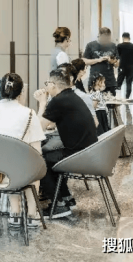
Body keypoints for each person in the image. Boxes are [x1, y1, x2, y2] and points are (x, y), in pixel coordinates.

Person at [34, 67, 98, 219]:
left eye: (47, 83)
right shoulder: (71, 96)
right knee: (49, 155)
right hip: (90, 151)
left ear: (53, 85)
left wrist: (42, 103)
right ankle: (66, 198)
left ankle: (59, 205)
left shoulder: (58, 101)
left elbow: (38, 129)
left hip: (79, 154)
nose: (46, 87)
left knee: (40, 160)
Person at [0, 73, 45, 229]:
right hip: (17, 173)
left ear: (1, 91)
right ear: (21, 92)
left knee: (7, 161)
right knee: (33, 167)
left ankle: (15, 212)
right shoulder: (29, 113)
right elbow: (37, 152)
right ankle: (32, 214)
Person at [83, 27, 118, 95]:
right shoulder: (91, 45)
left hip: (110, 82)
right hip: (95, 82)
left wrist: (112, 62)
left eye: (107, 39)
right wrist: (98, 60)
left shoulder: (113, 46)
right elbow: (84, 61)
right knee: (95, 101)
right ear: (99, 35)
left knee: (111, 100)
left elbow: (118, 63)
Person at [65, 60, 99, 127]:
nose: (85, 71)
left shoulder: (79, 81)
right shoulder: (75, 84)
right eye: (84, 69)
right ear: (80, 71)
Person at [116, 32, 133, 99]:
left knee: (119, 82)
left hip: (122, 66)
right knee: (129, 82)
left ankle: (118, 97)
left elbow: (117, 57)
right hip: (130, 66)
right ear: (129, 37)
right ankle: (127, 97)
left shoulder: (119, 46)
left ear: (123, 38)